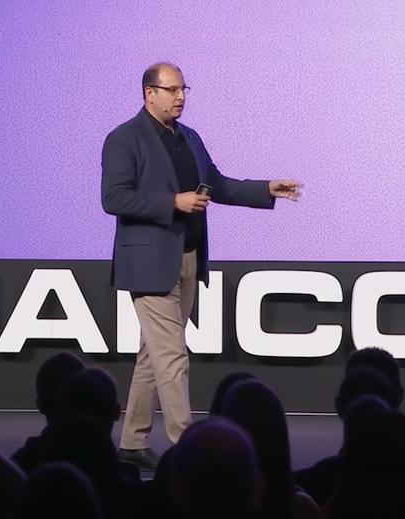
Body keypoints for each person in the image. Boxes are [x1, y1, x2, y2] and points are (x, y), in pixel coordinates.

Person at [101, 62, 302, 469]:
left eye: (184, 89)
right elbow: (113, 199)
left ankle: (132, 441)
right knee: (172, 355)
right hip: (149, 262)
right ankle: (191, 450)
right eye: (172, 90)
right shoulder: (124, 139)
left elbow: (218, 183)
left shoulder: (189, 137)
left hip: (188, 257)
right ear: (148, 93)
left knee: (152, 355)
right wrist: (171, 203)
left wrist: (266, 189)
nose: (181, 97)